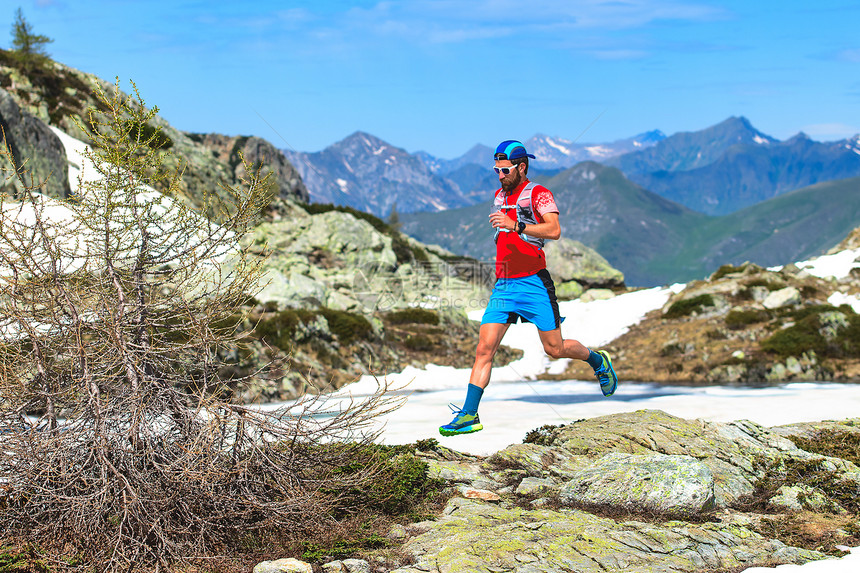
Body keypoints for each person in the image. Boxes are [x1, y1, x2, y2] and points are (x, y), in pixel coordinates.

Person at [439, 140, 618, 437]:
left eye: (505, 169)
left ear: (521, 167)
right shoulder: (499, 196)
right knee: (484, 349)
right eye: (496, 169)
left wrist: (516, 226)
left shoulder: (539, 194)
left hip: (534, 282)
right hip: (504, 285)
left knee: (555, 349)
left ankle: (598, 360)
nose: (500, 175)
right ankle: (469, 414)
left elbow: (554, 230)